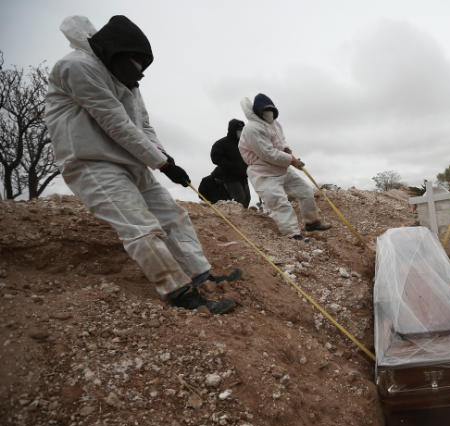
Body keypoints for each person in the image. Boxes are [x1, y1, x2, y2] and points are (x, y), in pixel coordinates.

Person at [44, 15, 242, 314]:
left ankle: (201, 275)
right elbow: (115, 122)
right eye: (135, 60)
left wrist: (166, 158)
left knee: (174, 216)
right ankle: (179, 293)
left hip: (134, 162)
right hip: (92, 163)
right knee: (141, 227)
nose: (139, 69)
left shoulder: (129, 82)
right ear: (117, 51)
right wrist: (161, 163)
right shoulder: (76, 66)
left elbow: (143, 126)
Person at [238, 94, 331, 242]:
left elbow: (282, 141)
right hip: (264, 174)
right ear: (258, 110)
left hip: (282, 169)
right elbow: (267, 153)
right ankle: (292, 236)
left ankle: (311, 223)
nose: (269, 113)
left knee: (305, 191)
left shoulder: (275, 124)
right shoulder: (252, 129)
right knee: (280, 204)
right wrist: (292, 161)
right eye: (266, 110)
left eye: (271, 109)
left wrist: (287, 149)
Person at [210, 119, 251, 208]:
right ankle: (238, 219)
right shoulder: (221, 143)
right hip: (230, 177)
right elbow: (215, 157)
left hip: (243, 176)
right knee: (240, 198)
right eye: (238, 129)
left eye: (242, 129)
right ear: (233, 129)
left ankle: (245, 218)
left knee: (247, 198)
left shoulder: (244, 144)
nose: (240, 131)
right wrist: (230, 166)